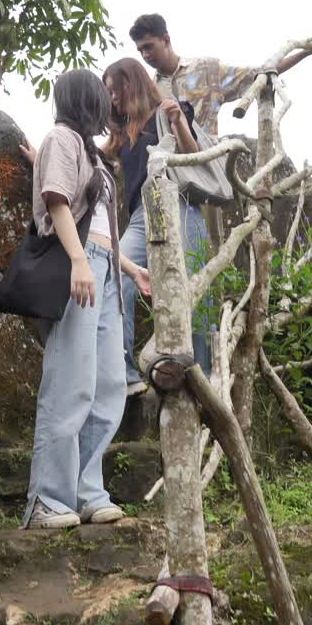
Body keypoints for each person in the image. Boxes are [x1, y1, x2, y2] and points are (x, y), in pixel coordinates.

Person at [22, 69, 153, 530]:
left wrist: (131, 268)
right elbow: (56, 201)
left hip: (105, 271)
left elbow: (98, 225)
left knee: (108, 387)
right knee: (70, 383)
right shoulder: (61, 137)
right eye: (102, 98)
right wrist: (79, 261)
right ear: (87, 101)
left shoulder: (89, 154)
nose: (110, 106)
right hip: (76, 268)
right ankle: (48, 500)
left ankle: (87, 492)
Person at [101, 58, 206, 398]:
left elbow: (195, 158)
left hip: (178, 206)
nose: (112, 99)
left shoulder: (169, 110)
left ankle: (201, 380)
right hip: (140, 214)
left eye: (114, 90)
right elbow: (92, 157)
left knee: (193, 288)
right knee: (115, 274)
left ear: (129, 84)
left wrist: (178, 122)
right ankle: (127, 374)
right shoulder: (121, 132)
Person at [128, 13, 312, 138]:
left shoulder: (207, 70)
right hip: (169, 175)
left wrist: (305, 52)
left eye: (149, 46)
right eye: (140, 50)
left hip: (208, 169)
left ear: (166, 40)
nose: (145, 55)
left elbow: (259, 73)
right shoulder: (150, 92)